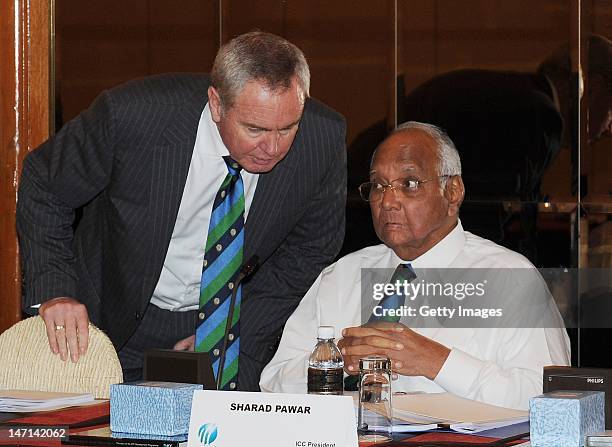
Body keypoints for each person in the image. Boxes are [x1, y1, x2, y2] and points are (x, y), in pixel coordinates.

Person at [17, 31, 347, 391]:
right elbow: (44, 186)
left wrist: (232, 330)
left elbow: (308, 252)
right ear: (217, 104)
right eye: (255, 129)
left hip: (229, 323)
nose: (272, 147)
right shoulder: (133, 117)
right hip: (107, 321)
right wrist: (56, 291)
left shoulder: (322, 138)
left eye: (287, 128)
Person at [260, 122, 570, 410]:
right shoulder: (341, 276)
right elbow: (273, 385)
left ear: (453, 191)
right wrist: (338, 361)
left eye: (409, 184)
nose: (388, 201)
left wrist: (437, 362)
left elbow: (551, 399)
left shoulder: (510, 279)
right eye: (378, 186)